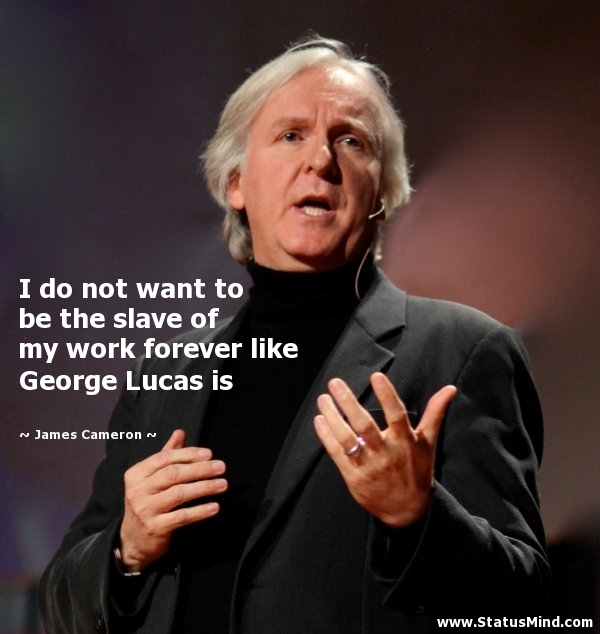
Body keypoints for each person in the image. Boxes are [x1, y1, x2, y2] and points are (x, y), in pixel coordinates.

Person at [40, 36, 550, 632]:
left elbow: (525, 606)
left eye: (351, 141)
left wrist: (419, 519)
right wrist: (127, 551)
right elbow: (59, 602)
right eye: (290, 136)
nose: (322, 160)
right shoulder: (165, 374)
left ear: (382, 193)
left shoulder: (462, 352)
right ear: (236, 183)